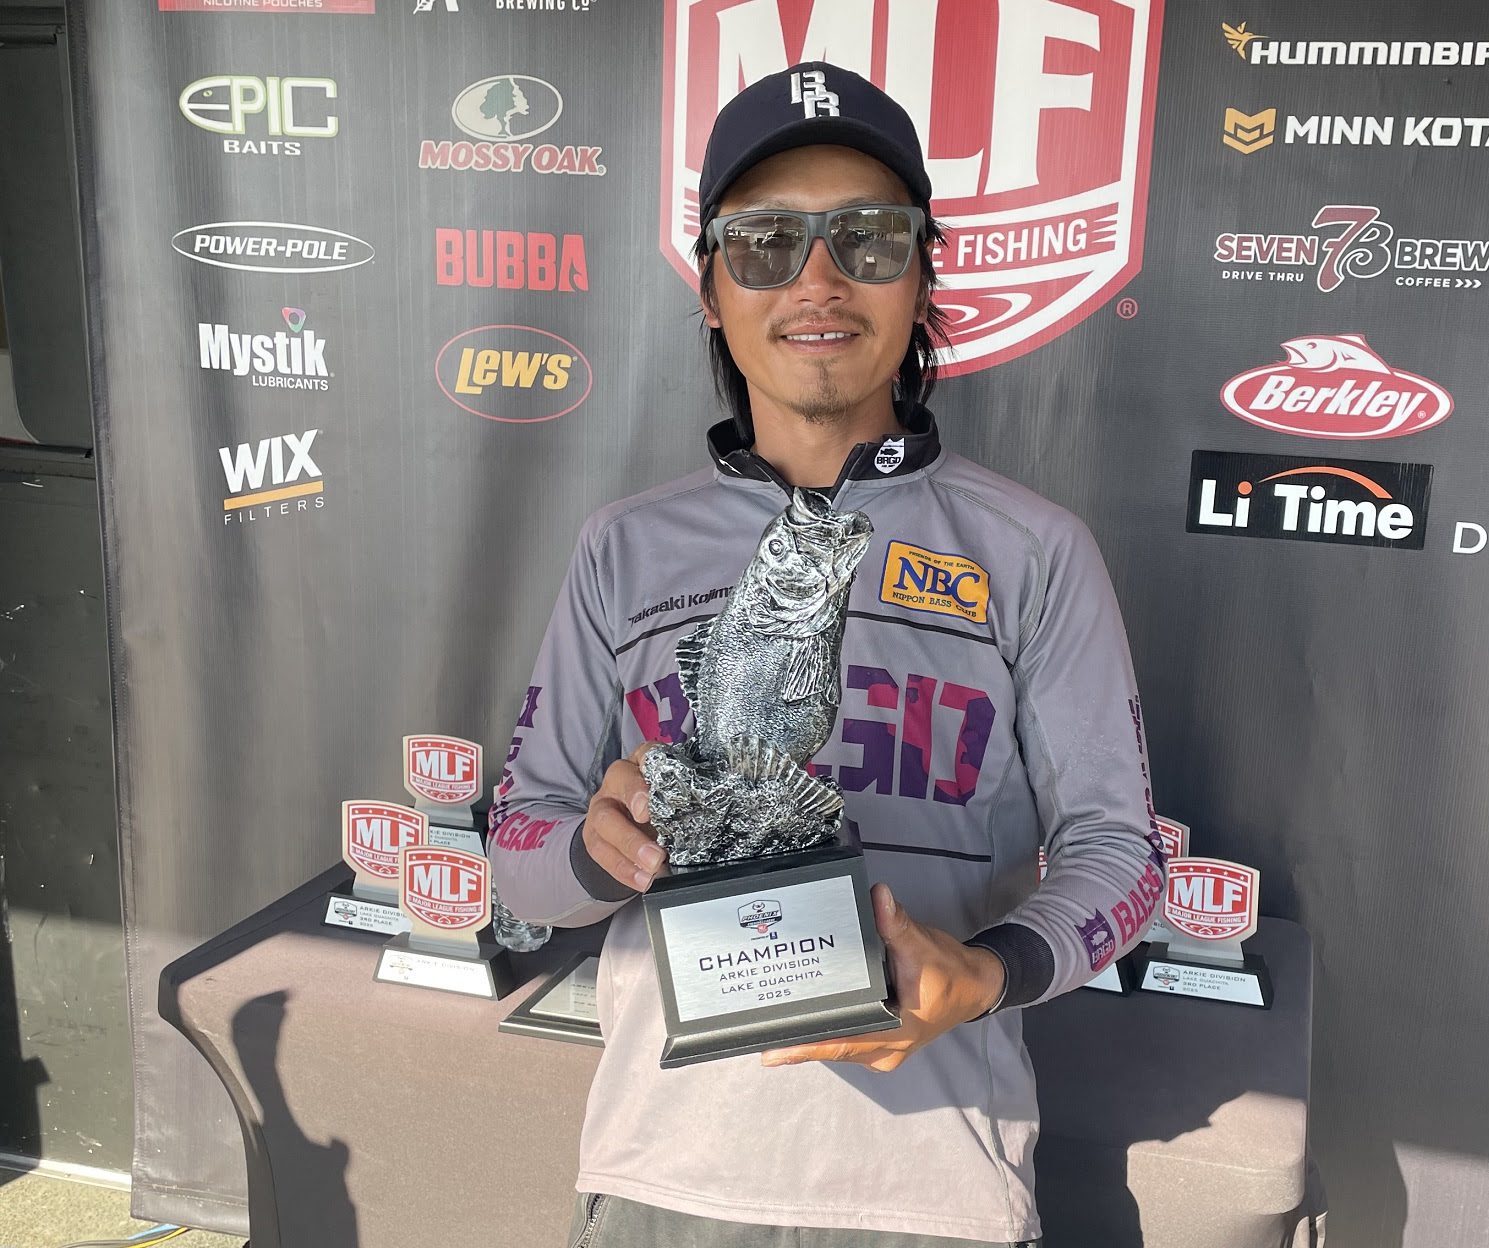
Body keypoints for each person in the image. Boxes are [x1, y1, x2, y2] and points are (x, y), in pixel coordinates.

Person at [490, 61, 1167, 1248]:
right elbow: (518, 856)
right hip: (664, 1184)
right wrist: (602, 852)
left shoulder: (1033, 551)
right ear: (711, 289)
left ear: (923, 276)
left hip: (937, 1192)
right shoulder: (622, 547)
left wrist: (989, 972)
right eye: (765, 243)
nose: (817, 280)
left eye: (867, 238)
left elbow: (1124, 857)